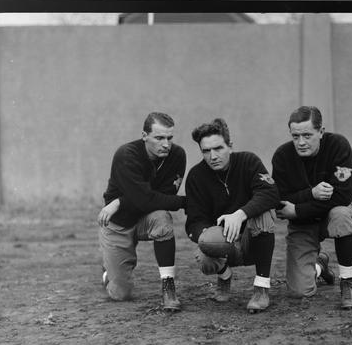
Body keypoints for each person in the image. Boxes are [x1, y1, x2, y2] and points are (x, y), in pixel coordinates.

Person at [185, 118, 280, 313]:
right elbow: (193, 221)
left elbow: (270, 193)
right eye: (206, 151)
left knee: (264, 214)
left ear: (230, 146)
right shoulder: (195, 176)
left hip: (253, 239)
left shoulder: (248, 161)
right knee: (204, 250)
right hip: (224, 243)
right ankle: (224, 275)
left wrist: (240, 214)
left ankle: (261, 288)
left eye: (218, 148)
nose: (213, 156)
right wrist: (209, 235)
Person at [271, 106, 352, 309]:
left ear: (321, 131)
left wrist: (299, 208)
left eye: (307, 135)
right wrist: (310, 193)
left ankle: (347, 283)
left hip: (327, 215)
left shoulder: (338, 145)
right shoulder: (282, 156)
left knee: (342, 214)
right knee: (299, 291)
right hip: (302, 224)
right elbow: (280, 201)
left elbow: (343, 195)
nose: (301, 142)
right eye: (295, 136)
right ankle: (320, 266)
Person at [97, 112, 186, 312]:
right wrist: (184, 202)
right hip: (119, 224)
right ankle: (108, 273)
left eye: (169, 138)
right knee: (121, 294)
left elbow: (161, 197)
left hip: (147, 218)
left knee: (162, 217)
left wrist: (119, 201)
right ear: (144, 135)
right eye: (159, 138)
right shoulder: (126, 154)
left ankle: (168, 286)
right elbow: (146, 199)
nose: (166, 144)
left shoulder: (177, 155)